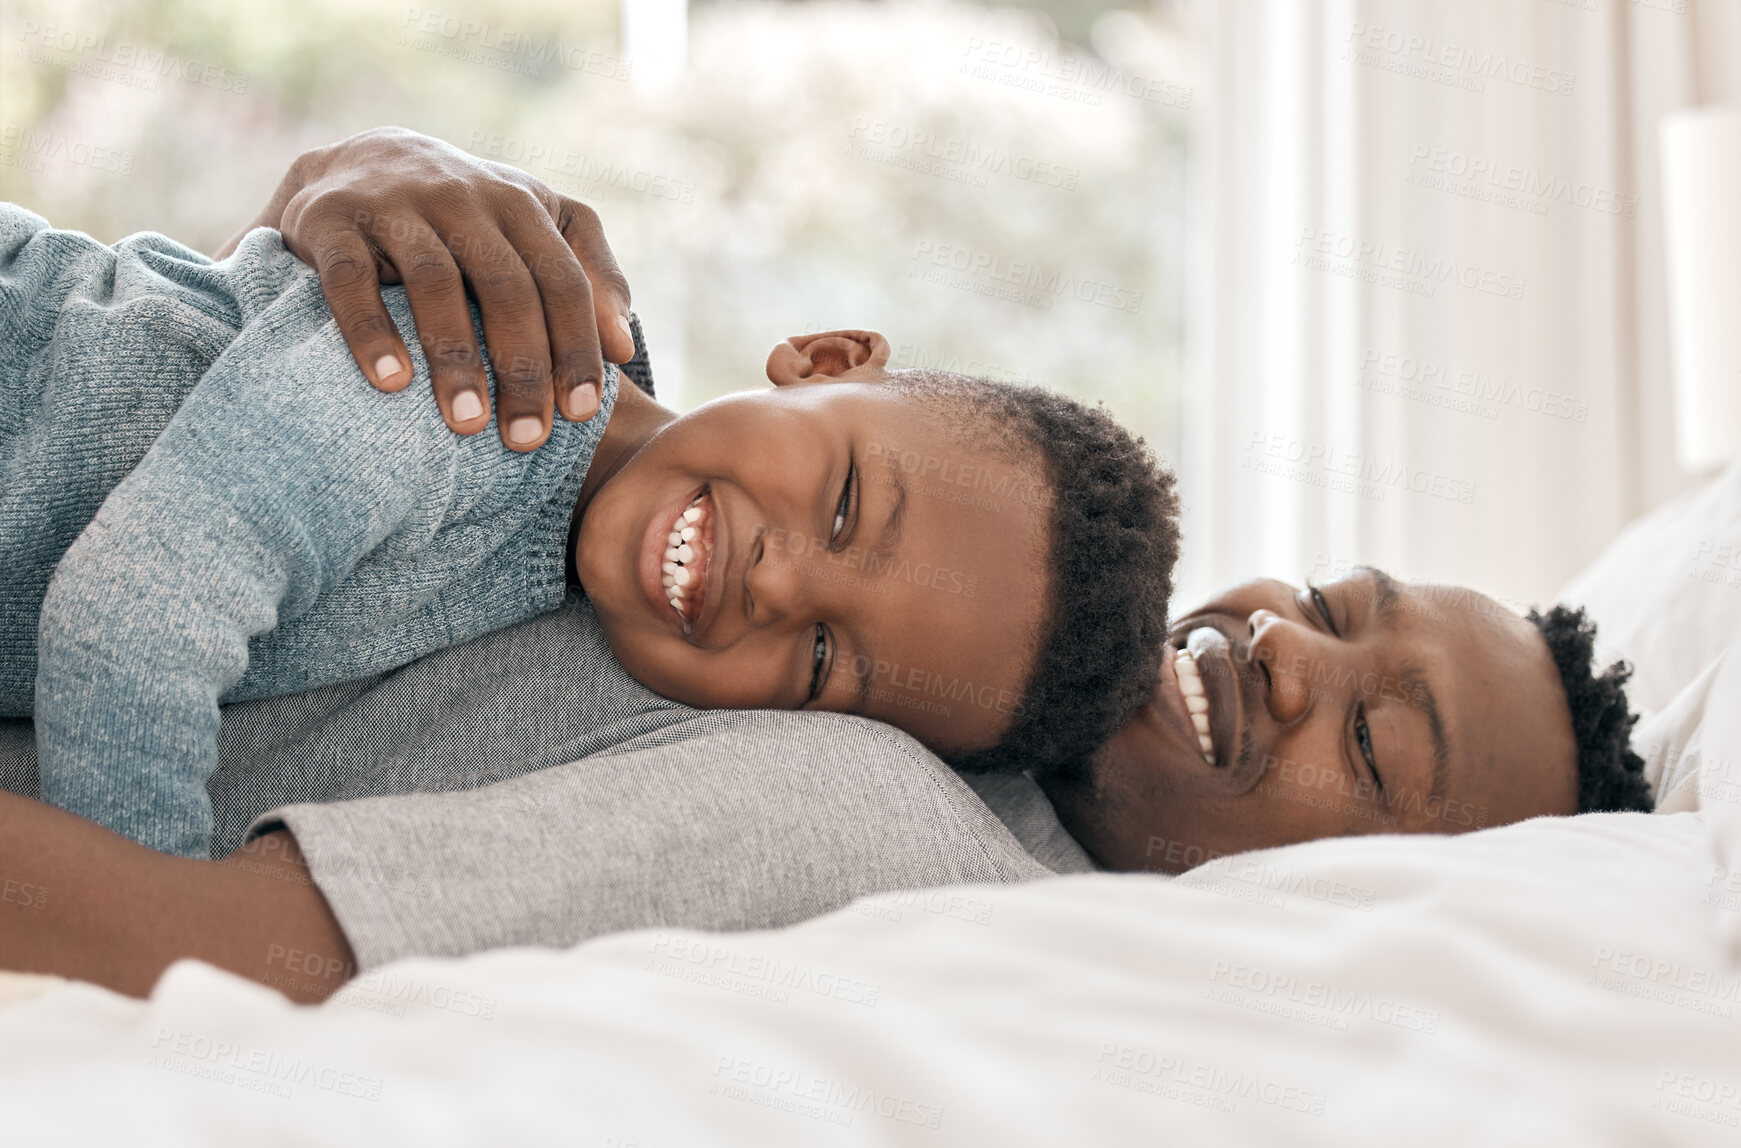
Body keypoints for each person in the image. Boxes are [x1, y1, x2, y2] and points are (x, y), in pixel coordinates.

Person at [0, 130, 1653, 1004]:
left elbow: (178, 938)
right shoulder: (931, 640)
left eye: (1373, 742)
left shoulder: (876, 813)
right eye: (1331, 604)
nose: (1282, 650)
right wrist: (361, 183)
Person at [0, 163, 1178, 858]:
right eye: (846, 504)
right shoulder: (492, 385)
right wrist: (146, 945)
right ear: (822, 358)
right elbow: (130, 617)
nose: (777, 583)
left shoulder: (549, 548)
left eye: (824, 654)